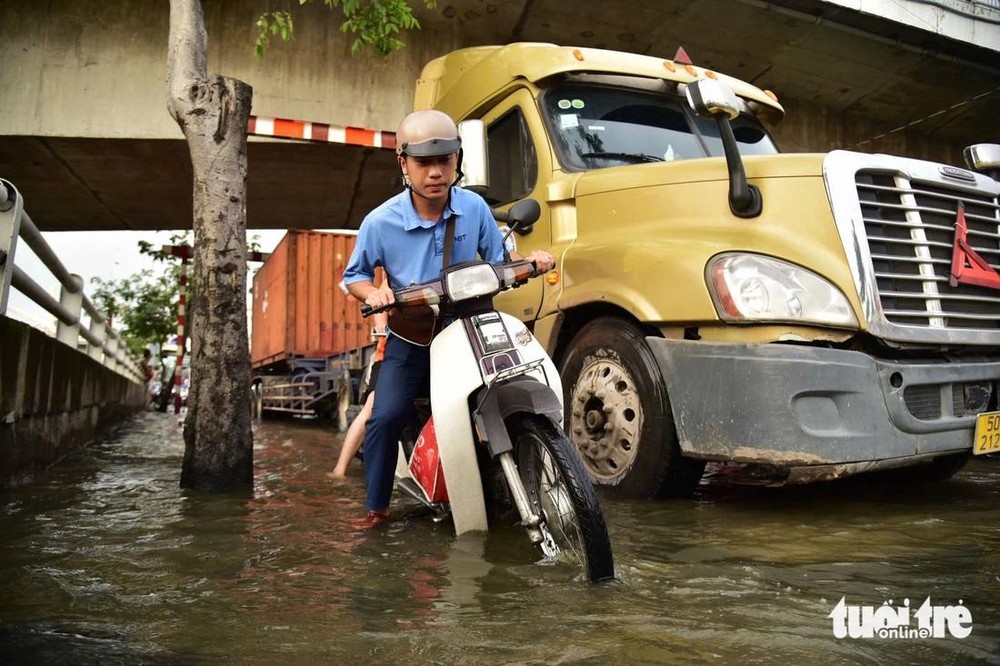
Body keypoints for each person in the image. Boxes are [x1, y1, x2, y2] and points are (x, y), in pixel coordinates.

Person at [342, 109, 554, 529]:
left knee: (516, 391)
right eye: (424, 162)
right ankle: (376, 508)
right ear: (403, 163)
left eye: (445, 160)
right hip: (412, 333)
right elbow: (355, 277)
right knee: (385, 417)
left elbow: (499, 262)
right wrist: (376, 292)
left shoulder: (474, 208)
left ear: (457, 160)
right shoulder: (379, 222)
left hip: (473, 325)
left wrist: (531, 261)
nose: (436, 172)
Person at [326, 285, 390, 480]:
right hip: (389, 354)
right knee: (371, 409)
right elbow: (381, 316)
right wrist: (382, 329)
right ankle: (340, 469)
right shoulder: (390, 280)